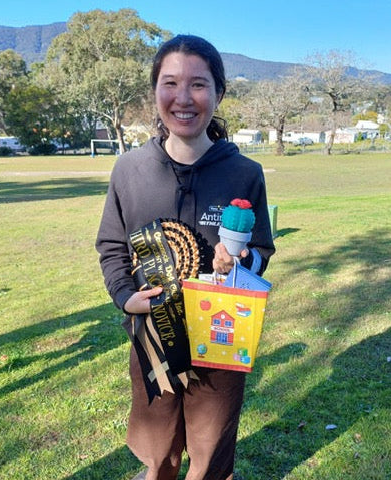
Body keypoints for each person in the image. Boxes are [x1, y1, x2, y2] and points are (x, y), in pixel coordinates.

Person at [95, 34, 275, 480]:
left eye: (198, 84)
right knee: (158, 451)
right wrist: (124, 295)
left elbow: (263, 250)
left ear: (218, 92)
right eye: (169, 83)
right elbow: (112, 244)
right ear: (155, 90)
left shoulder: (245, 173)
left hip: (221, 335)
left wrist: (242, 262)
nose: (183, 98)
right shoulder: (129, 170)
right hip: (154, 333)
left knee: (211, 451)